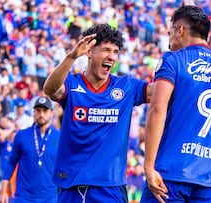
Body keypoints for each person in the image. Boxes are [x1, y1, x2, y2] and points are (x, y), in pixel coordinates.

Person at [140, 5, 211, 203]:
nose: (169, 42)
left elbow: (157, 109)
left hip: (168, 176)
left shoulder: (173, 60)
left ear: (180, 30)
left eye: (170, 33)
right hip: (207, 182)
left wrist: (149, 165)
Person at [43, 23, 152, 202]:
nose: (111, 57)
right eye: (106, 50)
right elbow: (50, 89)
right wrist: (71, 57)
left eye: (116, 52)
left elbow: (162, 91)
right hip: (72, 185)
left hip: (110, 187)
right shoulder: (72, 84)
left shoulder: (127, 87)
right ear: (89, 51)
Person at [0, 96, 60, 203]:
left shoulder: (59, 137)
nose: (41, 114)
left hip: (50, 197)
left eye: (45, 111)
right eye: (38, 110)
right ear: (33, 112)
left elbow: (65, 166)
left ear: (51, 113)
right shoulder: (21, 135)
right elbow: (11, 162)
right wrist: (3, 190)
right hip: (24, 197)